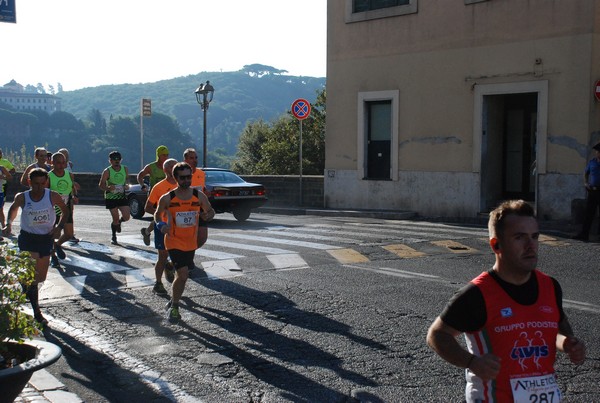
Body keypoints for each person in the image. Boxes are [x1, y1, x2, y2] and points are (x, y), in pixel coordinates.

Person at [426, 200, 586, 402]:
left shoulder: (550, 286)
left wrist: (569, 344)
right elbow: (437, 335)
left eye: (534, 237)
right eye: (519, 237)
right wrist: (472, 362)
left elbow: (556, 330)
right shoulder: (477, 293)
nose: (531, 246)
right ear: (496, 244)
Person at [2, 168, 68, 328]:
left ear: (46, 182)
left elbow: (65, 211)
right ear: (29, 182)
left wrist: (59, 227)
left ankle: (24, 284)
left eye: (42, 183)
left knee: (41, 278)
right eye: (35, 184)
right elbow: (13, 209)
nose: (39, 187)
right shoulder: (22, 197)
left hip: (45, 238)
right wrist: (8, 225)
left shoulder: (52, 195)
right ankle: (37, 312)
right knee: (32, 278)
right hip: (28, 238)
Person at [154, 162, 215, 323]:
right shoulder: (168, 198)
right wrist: (161, 225)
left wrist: (208, 216)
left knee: (182, 277)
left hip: (190, 242)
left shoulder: (198, 195)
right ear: (176, 178)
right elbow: (157, 215)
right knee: (183, 274)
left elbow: (210, 211)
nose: (187, 180)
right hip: (173, 241)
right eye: (183, 178)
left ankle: (173, 300)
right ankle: (175, 308)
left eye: (189, 177)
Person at [144, 158, 178, 295]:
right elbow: (147, 207)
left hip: (178, 226)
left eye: (175, 166)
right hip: (162, 226)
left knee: (178, 255)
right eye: (170, 167)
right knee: (162, 256)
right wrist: (161, 214)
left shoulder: (182, 186)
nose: (173, 168)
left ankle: (169, 267)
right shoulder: (159, 187)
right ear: (165, 170)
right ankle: (158, 283)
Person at [48, 152, 78, 268]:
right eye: (58, 163)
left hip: (66, 208)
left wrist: (75, 196)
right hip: (52, 210)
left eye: (63, 162)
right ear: (53, 163)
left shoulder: (69, 175)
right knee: (52, 235)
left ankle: (57, 245)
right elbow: (45, 193)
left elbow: (72, 188)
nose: (61, 165)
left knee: (69, 234)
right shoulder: (49, 176)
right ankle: (53, 257)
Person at [139, 145, 170, 246]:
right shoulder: (151, 167)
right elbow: (140, 175)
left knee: (160, 217)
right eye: (163, 155)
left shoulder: (169, 167)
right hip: (155, 196)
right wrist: (143, 184)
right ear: (158, 155)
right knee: (160, 216)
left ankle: (147, 232)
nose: (165, 157)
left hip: (168, 196)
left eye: (167, 155)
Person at [98, 151, 130, 245]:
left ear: (121, 159)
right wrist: (108, 188)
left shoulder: (125, 169)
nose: (117, 161)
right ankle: (114, 236)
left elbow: (127, 179)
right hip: (111, 197)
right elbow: (101, 185)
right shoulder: (107, 171)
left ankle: (120, 222)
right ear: (110, 161)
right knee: (115, 218)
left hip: (121, 196)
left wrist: (127, 185)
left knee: (127, 217)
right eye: (114, 159)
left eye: (118, 159)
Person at [573, 142, 600, 242]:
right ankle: (584, 234)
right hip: (592, 191)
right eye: (597, 151)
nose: (597, 153)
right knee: (589, 214)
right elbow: (586, 173)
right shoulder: (592, 162)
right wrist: (585, 183)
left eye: (598, 151)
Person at [183, 148, 209, 247]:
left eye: (196, 158)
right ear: (185, 160)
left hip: (199, 209)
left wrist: (206, 192)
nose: (195, 160)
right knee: (184, 237)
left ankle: (189, 253)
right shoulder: (179, 173)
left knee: (202, 238)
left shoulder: (201, 174)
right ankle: (181, 257)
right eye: (191, 158)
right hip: (184, 208)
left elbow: (202, 189)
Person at [57, 148, 81, 243]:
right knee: (57, 215)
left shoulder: (69, 164)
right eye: (62, 154)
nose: (64, 156)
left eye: (66, 154)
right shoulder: (53, 167)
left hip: (68, 193)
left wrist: (75, 194)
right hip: (58, 193)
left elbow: (70, 180)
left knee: (69, 213)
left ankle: (69, 233)